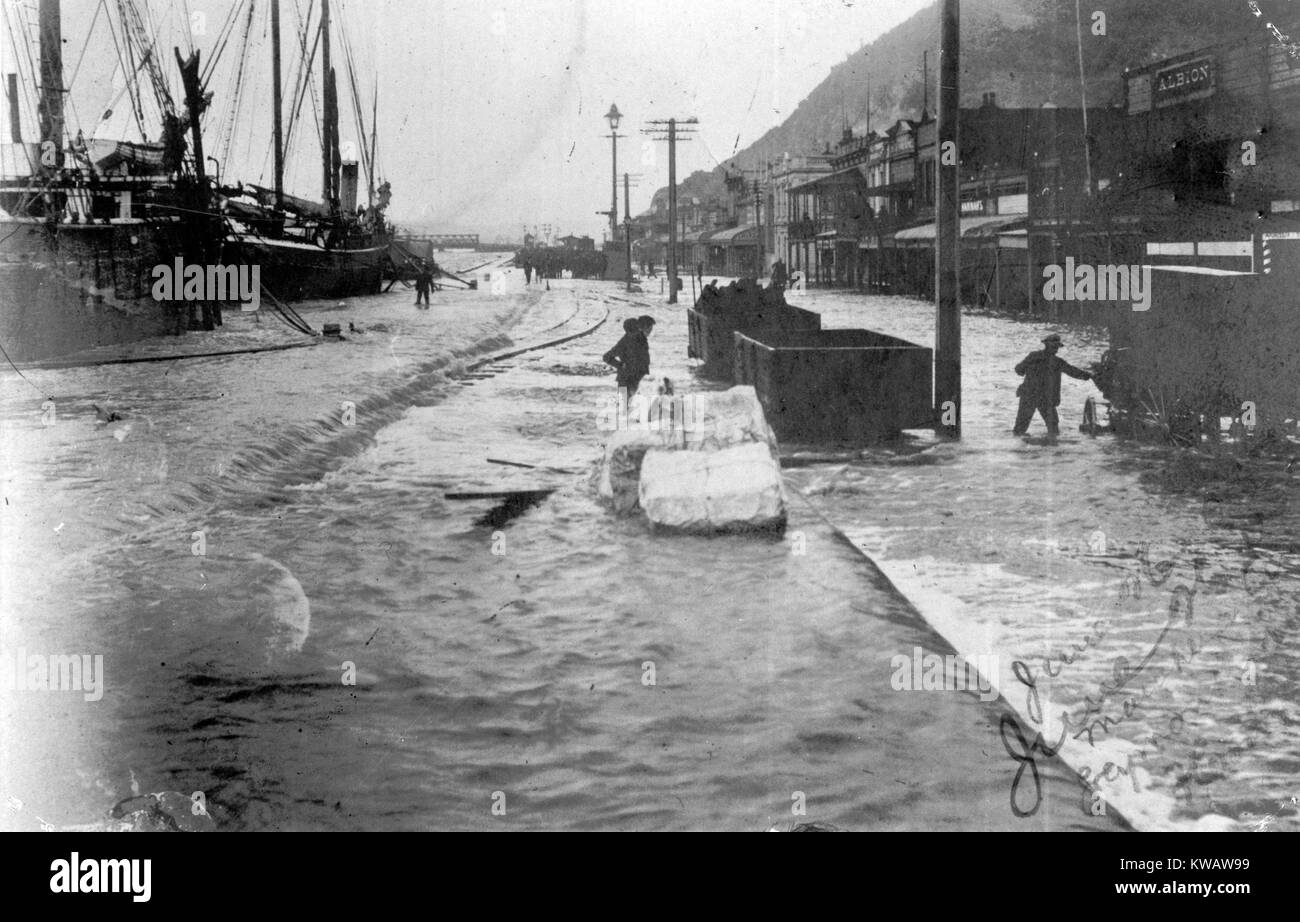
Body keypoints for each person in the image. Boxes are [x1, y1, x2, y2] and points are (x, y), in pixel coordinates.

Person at [1013, 333, 1093, 436]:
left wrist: (1028, 371)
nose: (1056, 350)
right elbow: (1073, 372)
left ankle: (1018, 449)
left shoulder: (1033, 356)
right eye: (1055, 347)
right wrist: (1089, 376)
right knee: (1053, 429)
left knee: (1020, 429)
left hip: (1028, 394)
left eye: (1056, 347)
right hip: (1046, 398)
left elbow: (1019, 370)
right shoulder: (1057, 362)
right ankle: (1052, 448)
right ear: (1050, 347)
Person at [603, 317, 651, 404]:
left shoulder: (640, 340)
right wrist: (620, 365)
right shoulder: (625, 342)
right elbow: (606, 356)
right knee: (624, 407)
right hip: (625, 379)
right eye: (637, 327)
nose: (639, 329)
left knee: (630, 407)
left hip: (634, 378)